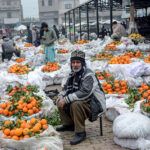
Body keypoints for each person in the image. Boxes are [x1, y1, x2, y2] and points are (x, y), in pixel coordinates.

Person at [56, 50, 106, 145]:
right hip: (84, 101)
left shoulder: (88, 74)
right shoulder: (72, 74)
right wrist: (60, 97)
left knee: (75, 104)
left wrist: (66, 99)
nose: (75, 65)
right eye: (73, 62)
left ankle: (80, 133)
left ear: (82, 63)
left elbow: (85, 92)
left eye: (78, 62)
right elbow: (66, 88)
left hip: (94, 104)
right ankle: (69, 125)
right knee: (60, 100)